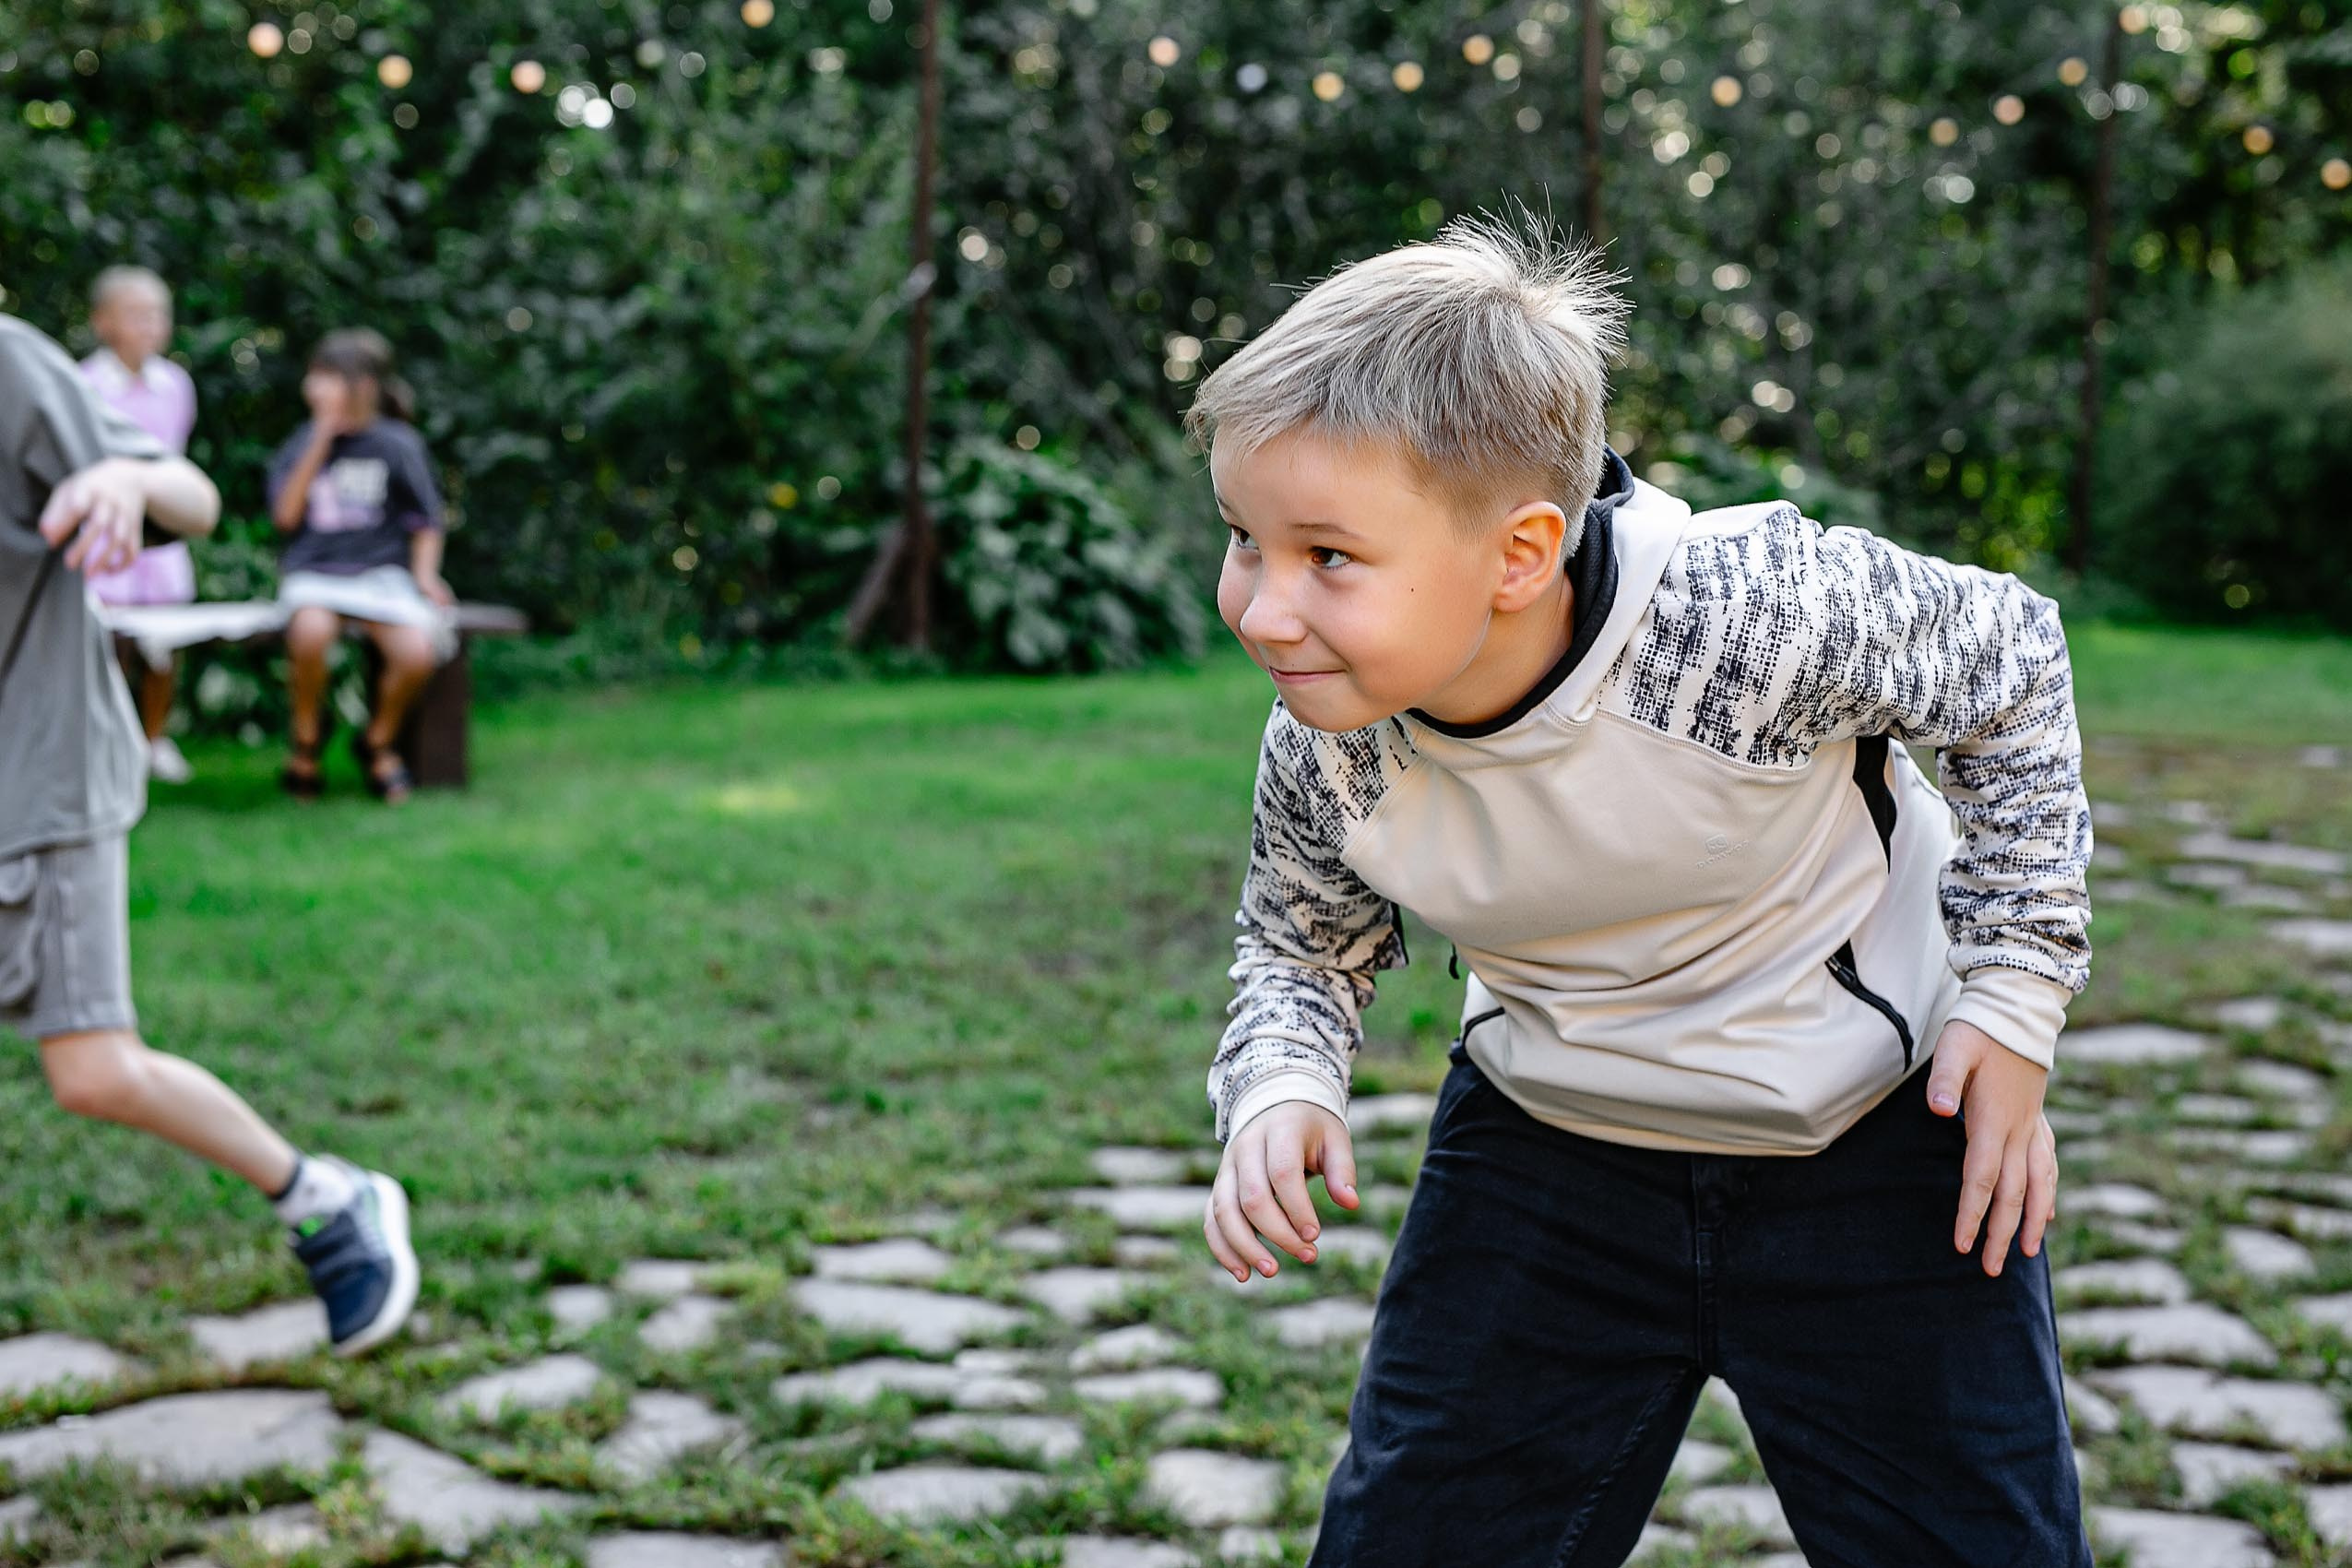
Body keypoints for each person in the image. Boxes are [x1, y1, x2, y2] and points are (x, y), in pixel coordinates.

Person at [1190, 214, 2093, 1567]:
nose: (1261, 608)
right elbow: (1300, 941)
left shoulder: (1749, 615)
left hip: (1877, 1145)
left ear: (1518, 553)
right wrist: (1281, 1083)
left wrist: (2013, 998)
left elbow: (2009, 660)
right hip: (1546, 1155)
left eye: (1325, 556)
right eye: (1243, 540)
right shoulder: (1330, 738)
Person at [0, 313, 419, 1356]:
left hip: (33, 771)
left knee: (92, 1067)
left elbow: (191, 493)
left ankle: (327, 1197)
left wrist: (125, 486)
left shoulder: (9, 365)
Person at [267, 328, 453, 804]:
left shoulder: (397, 443)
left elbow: (427, 519)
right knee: (309, 634)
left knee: (416, 652)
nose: (315, 388)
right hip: (315, 573)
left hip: (380, 577)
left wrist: (425, 575)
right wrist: (321, 439)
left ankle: (377, 741)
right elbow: (285, 517)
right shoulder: (301, 441)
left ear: (364, 386)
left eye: (328, 377)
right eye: (316, 377)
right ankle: (306, 740)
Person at [79, 266, 201, 785]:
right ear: (103, 322)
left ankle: (154, 739)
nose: (150, 325)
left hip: (162, 538)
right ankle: (99, 740)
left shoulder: (175, 386)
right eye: (136, 314)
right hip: (104, 533)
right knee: (102, 644)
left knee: (163, 646)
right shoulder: (82, 384)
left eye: (158, 315)